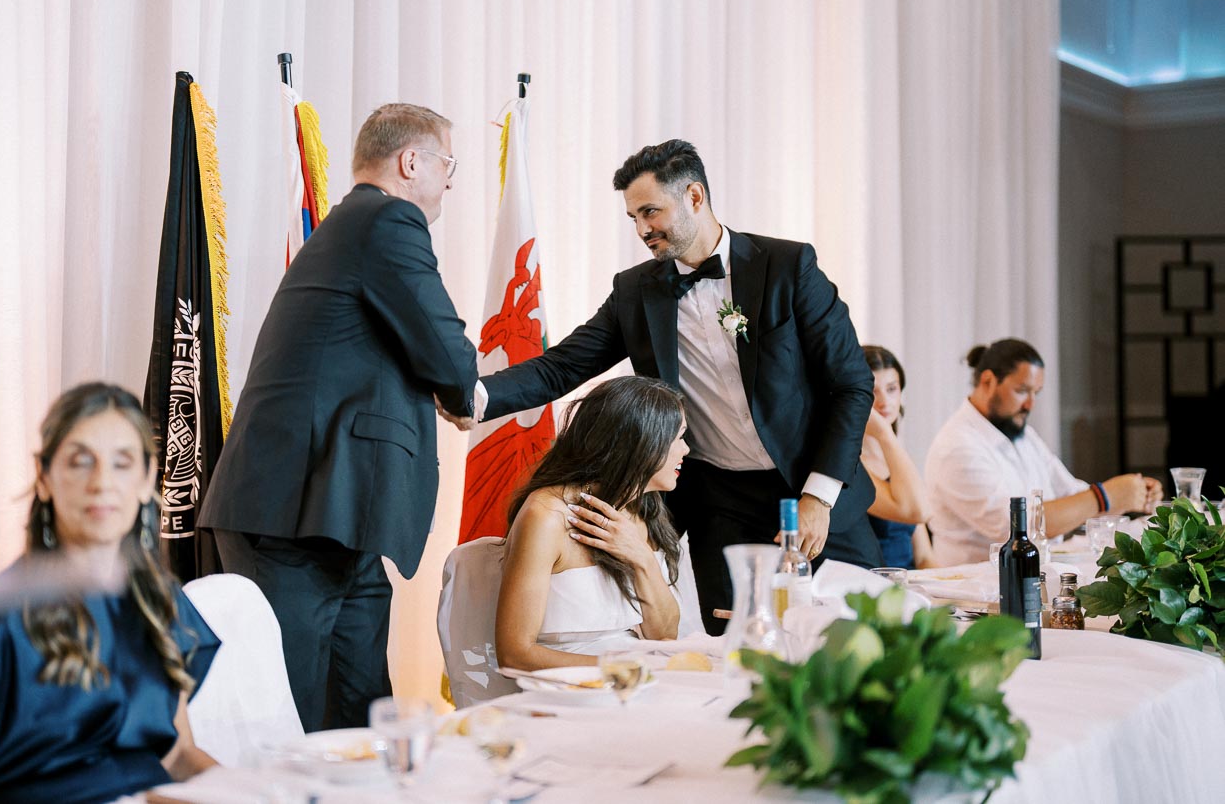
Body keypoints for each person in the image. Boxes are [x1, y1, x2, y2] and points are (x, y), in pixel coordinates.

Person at [479, 139, 878, 635]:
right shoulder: (634, 291)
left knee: (861, 640)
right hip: (719, 501)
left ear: (694, 196)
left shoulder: (788, 267)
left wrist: (818, 497)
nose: (643, 229)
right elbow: (561, 367)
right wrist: (474, 395)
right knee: (737, 651)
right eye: (634, 218)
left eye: (651, 211)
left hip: (811, 490)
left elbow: (852, 385)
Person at [198, 103, 479, 731]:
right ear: (412, 162)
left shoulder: (353, 227)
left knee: (359, 718)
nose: (452, 181)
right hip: (291, 519)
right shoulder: (389, 220)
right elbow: (448, 354)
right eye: (448, 163)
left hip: (338, 520)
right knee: (287, 722)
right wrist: (467, 390)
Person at [0, 383, 220, 804]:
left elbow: (176, 754)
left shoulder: (160, 602)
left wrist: (252, 791)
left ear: (146, 480)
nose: (102, 482)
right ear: (44, 477)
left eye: (122, 463)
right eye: (81, 462)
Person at [495, 377, 683, 670]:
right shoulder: (546, 516)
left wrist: (642, 558)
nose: (685, 450)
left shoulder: (643, 510)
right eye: (678, 438)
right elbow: (514, 655)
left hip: (636, 685)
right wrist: (625, 671)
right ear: (643, 442)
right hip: (563, 693)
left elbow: (665, 635)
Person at [925, 338, 1163, 565]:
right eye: (1022, 391)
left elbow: (1071, 494)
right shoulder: (957, 447)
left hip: (1033, 575)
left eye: (1035, 393)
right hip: (975, 594)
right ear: (988, 381)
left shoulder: (1022, 434)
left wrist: (1133, 495)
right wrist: (1104, 496)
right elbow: (1020, 527)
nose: (1030, 405)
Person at [860, 345, 935, 569]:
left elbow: (924, 557)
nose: (884, 401)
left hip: (912, 585)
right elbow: (918, 511)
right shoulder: (850, 466)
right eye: (872, 391)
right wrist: (884, 433)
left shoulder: (896, 458)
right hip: (874, 591)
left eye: (892, 389)